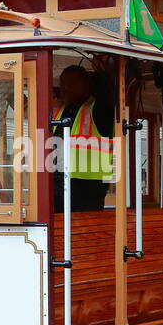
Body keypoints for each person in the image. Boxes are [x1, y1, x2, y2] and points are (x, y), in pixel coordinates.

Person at [53, 64, 115, 213]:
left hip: (88, 189)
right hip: (58, 185)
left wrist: (104, 65)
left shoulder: (98, 110)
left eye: (70, 84)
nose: (64, 88)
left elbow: (108, 93)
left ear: (86, 85)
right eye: (62, 84)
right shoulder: (61, 110)